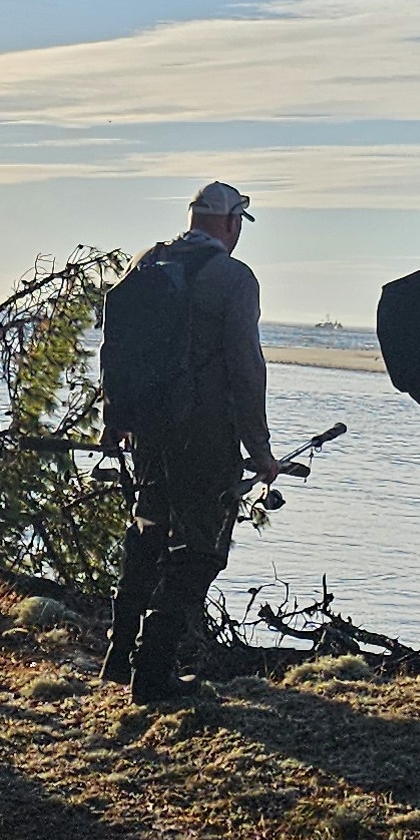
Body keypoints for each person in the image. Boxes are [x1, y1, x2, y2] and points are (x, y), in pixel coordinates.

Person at [101, 179, 289, 705]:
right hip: (204, 432)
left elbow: (115, 342)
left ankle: (118, 657)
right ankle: (153, 669)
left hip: (149, 430)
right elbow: (247, 369)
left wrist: (115, 416)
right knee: (201, 549)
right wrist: (260, 447)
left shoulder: (147, 262)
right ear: (231, 224)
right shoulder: (233, 278)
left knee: (147, 533)